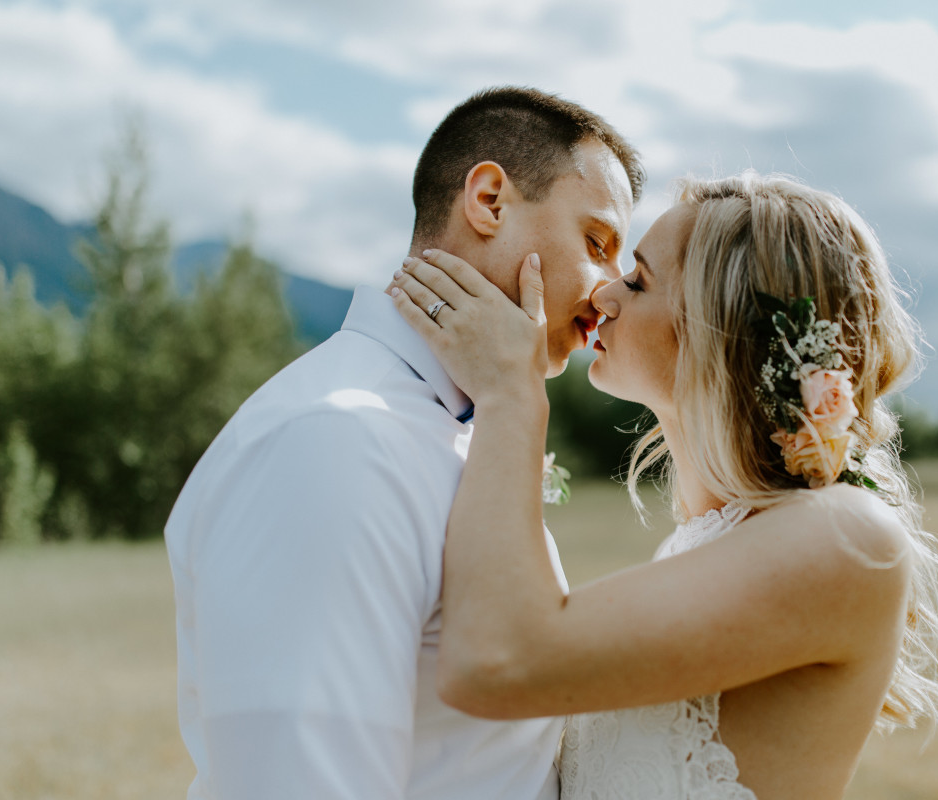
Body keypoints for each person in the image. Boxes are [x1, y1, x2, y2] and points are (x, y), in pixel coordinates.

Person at [390, 172, 938, 799]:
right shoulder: (710, 539)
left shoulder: (846, 537)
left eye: (638, 281)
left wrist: (511, 397)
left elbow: (495, 665)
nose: (605, 294)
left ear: (722, 329)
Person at [164, 86, 643, 799]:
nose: (607, 293)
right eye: (597, 243)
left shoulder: (477, 427)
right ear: (488, 201)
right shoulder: (335, 441)